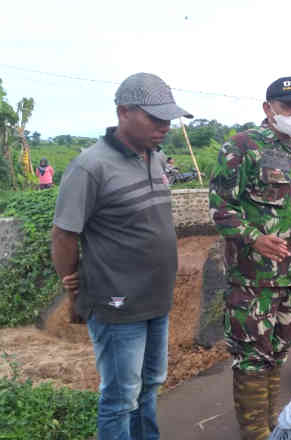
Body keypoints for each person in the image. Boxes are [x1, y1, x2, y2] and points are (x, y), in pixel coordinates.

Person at [51, 72, 192, 439]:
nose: (165, 126)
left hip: (156, 301)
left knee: (149, 386)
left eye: (168, 118)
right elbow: (65, 234)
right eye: (155, 118)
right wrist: (73, 285)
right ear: (123, 111)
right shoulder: (90, 167)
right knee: (120, 397)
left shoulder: (157, 160)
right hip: (116, 305)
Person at [209, 76, 291, 438]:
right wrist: (253, 238)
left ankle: (272, 425)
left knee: (277, 354)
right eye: (289, 106)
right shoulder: (242, 146)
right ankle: (255, 433)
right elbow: (220, 207)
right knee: (251, 361)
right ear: (268, 108)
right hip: (253, 280)